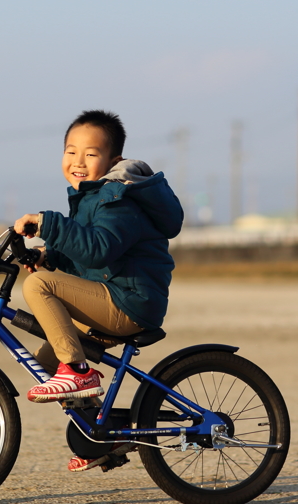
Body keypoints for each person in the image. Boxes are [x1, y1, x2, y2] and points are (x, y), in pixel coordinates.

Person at [13, 109, 183, 470]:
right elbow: (88, 258)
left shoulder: (116, 198)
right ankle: (100, 437)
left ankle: (77, 371)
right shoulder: (92, 198)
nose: (78, 161)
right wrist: (49, 255)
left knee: (39, 286)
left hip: (129, 301)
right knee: (44, 362)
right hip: (113, 294)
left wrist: (48, 223)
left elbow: (100, 247)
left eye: (90, 154)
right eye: (71, 151)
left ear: (112, 161)